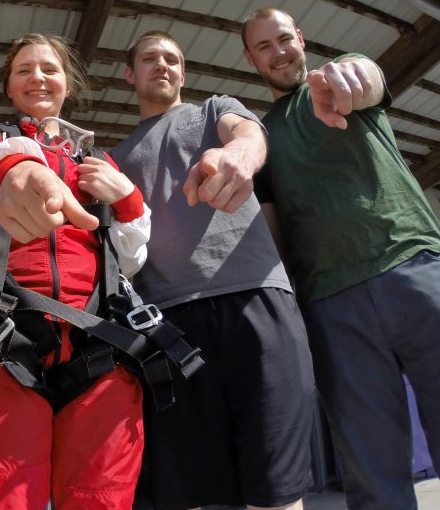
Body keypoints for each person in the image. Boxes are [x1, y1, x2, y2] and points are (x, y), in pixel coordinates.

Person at [0, 33, 151, 509]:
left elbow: (131, 260)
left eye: (50, 69)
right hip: (3, 336)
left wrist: (128, 199)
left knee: (101, 496)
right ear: (8, 88)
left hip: (99, 339)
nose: (38, 77)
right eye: (24, 70)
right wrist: (18, 164)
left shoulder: (101, 163)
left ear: (67, 84)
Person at [242, 6, 440, 510]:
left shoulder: (334, 80)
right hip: (330, 303)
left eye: (284, 39)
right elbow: (273, 230)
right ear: (250, 59)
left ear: (302, 38)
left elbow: (367, 78)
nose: (278, 52)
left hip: (415, 266)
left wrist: (357, 77)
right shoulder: (260, 136)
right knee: (371, 469)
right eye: (263, 46)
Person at [111, 30, 314, 510]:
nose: (162, 66)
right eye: (149, 58)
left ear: (183, 72)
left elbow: (247, 134)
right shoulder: (114, 158)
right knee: (194, 489)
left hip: (256, 300)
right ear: (129, 74)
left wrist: (238, 157)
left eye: (172, 60)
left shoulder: (213, 110)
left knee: (276, 488)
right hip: (169, 324)